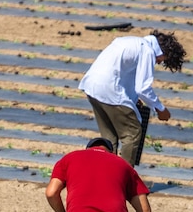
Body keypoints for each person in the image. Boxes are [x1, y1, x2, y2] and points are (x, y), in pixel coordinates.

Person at [78, 30, 186, 166]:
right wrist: (160, 108)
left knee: (109, 137)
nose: (158, 62)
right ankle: (125, 178)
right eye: (162, 60)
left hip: (92, 87)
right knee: (132, 133)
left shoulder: (130, 41)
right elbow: (143, 88)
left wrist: (133, 99)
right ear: (163, 52)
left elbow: (124, 75)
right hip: (108, 90)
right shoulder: (147, 51)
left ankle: (106, 176)